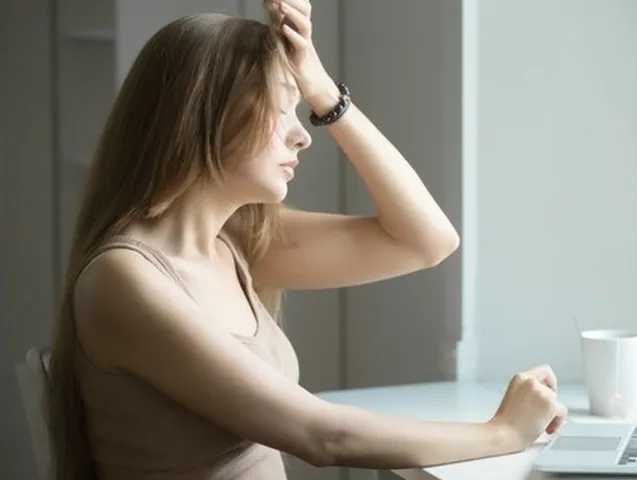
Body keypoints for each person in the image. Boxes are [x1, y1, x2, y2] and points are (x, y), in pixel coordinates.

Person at [47, 1, 568, 478]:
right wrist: (501, 433)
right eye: (280, 110)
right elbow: (323, 436)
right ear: (202, 115)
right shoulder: (124, 279)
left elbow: (427, 241)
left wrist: (320, 88)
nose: (302, 134)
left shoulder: (233, 243)